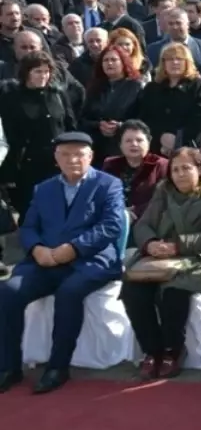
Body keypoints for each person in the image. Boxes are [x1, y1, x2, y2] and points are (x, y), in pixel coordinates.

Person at [0, 133, 125, 394]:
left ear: (90, 157)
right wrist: (36, 249)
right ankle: (8, 367)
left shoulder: (108, 184)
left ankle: (58, 366)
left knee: (69, 293)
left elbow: (111, 226)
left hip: (91, 260)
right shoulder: (43, 188)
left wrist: (75, 248)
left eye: (79, 153)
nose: (72, 159)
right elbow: (28, 226)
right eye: (65, 154)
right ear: (56, 158)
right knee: (7, 292)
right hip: (45, 261)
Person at [122, 147, 201, 380]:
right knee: (133, 290)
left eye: (186, 168)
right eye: (175, 169)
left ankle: (173, 351)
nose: (181, 174)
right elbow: (143, 224)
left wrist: (178, 245)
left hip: (200, 257)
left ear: (200, 169)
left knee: (174, 292)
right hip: (160, 256)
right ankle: (152, 351)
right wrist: (150, 244)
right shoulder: (164, 192)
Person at [0, 52, 78, 216]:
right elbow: (9, 133)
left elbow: (70, 126)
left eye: (46, 71)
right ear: (27, 72)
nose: (43, 76)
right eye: (37, 71)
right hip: (29, 164)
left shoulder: (58, 94)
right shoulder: (12, 98)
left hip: (59, 162)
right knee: (32, 210)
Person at [137, 43, 201, 156]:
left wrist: (177, 137)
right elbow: (145, 117)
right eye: (170, 59)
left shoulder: (199, 86)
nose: (175, 62)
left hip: (190, 148)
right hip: (157, 148)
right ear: (163, 63)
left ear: (187, 62)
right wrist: (161, 136)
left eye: (179, 59)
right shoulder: (152, 88)